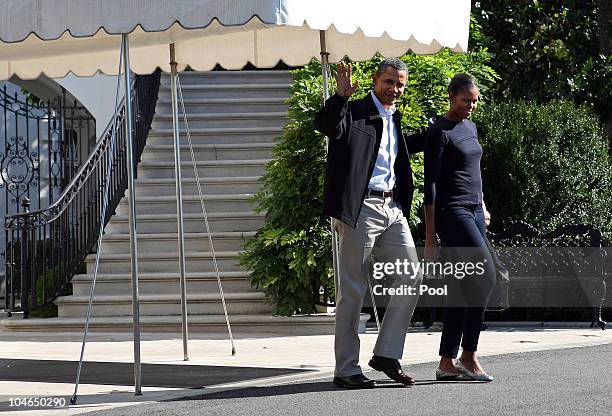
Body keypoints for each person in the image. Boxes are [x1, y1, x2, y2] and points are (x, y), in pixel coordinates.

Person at [315, 58, 427, 389]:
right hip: (360, 207)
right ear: (376, 80)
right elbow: (326, 126)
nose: (395, 88)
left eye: (400, 84)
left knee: (412, 275)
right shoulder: (354, 110)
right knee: (352, 289)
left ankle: (387, 354)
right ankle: (346, 369)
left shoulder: (394, 118)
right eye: (389, 81)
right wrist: (340, 97)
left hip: (392, 207)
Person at [423, 73, 496, 382]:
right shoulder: (439, 133)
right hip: (452, 213)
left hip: (475, 211)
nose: (471, 106)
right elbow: (431, 187)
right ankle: (469, 354)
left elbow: (474, 171)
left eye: (475, 101)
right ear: (451, 96)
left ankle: (446, 362)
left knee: (462, 286)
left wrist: (483, 204)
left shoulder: (471, 127)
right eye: (466, 100)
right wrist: (430, 238)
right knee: (486, 276)